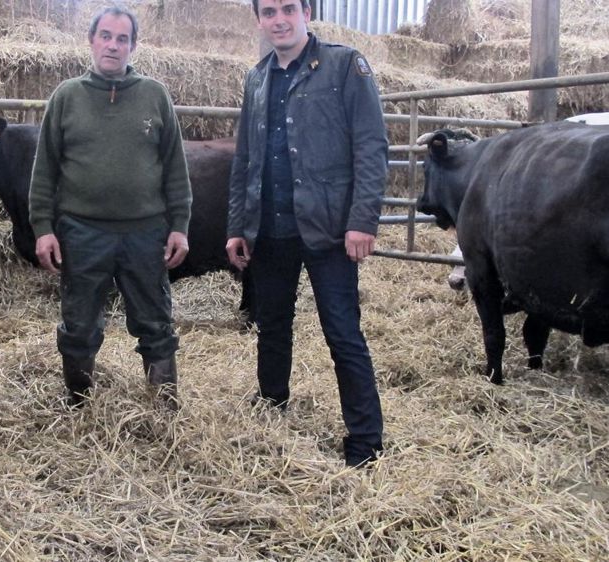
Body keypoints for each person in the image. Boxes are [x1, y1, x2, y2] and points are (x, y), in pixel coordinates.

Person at [225, 0, 388, 467]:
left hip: (330, 229)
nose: (279, 19)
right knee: (271, 325)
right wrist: (238, 226)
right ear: (259, 19)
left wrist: (363, 220)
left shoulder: (344, 65)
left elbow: (372, 145)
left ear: (307, 13)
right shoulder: (256, 78)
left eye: (288, 8)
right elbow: (245, 160)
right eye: (269, 11)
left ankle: (365, 439)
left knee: (342, 333)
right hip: (271, 229)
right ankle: (272, 402)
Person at [29, 5, 193, 409]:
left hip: (145, 231)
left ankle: (164, 410)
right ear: (91, 40)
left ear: (133, 45)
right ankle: (79, 404)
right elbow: (44, 171)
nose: (113, 46)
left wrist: (180, 225)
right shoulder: (66, 97)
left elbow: (175, 167)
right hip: (82, 233)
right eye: (106, 36)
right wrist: (43, 228)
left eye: (122, 39)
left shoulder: (154, 95)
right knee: (80, 324)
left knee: (155, 322)